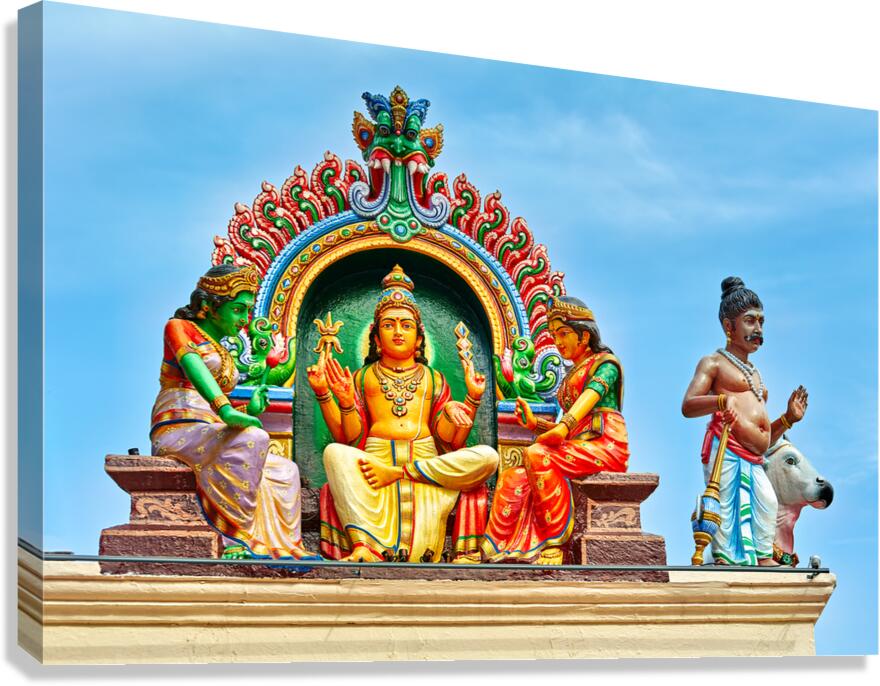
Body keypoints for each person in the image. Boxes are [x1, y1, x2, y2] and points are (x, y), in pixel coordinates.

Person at [309, 265, 499, 563]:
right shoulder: (362, 377)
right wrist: (333, 397)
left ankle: (401, 476)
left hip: (425, 466)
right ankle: (364, 547)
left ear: (420, 339)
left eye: (406, 325)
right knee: (334, 453)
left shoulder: (433, 379)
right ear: (375, 336)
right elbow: (348, 436)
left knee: (488, 457)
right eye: (389, 324)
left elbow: (452, 442)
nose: (398, 331)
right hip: (374, 462)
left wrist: (470, 401)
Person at [150, 264, 316, 560]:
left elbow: (219, 408)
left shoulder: (224, 352)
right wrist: (226, 410)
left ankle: (279, 547)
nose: (243, 320)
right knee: (254, 438)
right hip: (179, 429)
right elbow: (193, 366)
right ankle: (234, 539)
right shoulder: (179, 328)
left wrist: (246, 408)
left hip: (208, 428)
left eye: (247, 311)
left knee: (285, 470)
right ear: (208, 306)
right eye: (238, 310)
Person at [481, 296, 629, 564]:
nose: (558, 342)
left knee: (538, 455)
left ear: (584, 336)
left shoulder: (605, 364)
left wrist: (563, 427)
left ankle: (555, 544)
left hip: (605, 445)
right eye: (554, 335)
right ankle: (497, 548)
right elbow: (567, 428)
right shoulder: (570, 375)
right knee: (513, 476)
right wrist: (533, 423)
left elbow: (590, 398)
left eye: (564, 334)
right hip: (578, 445)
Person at [682, 276, 808, 566]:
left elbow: (763, 441)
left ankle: (763, 558)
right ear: (729, 326)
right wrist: (721, 401)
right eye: (750, 321)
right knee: (727, 506)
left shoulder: (756, 376)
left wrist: (788, 419)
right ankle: (725, 560)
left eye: (761, 321)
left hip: (753, 457)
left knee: (767, 503)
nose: (758, 329)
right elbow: (688, 405)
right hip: (726, 448)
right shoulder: (713, 363)